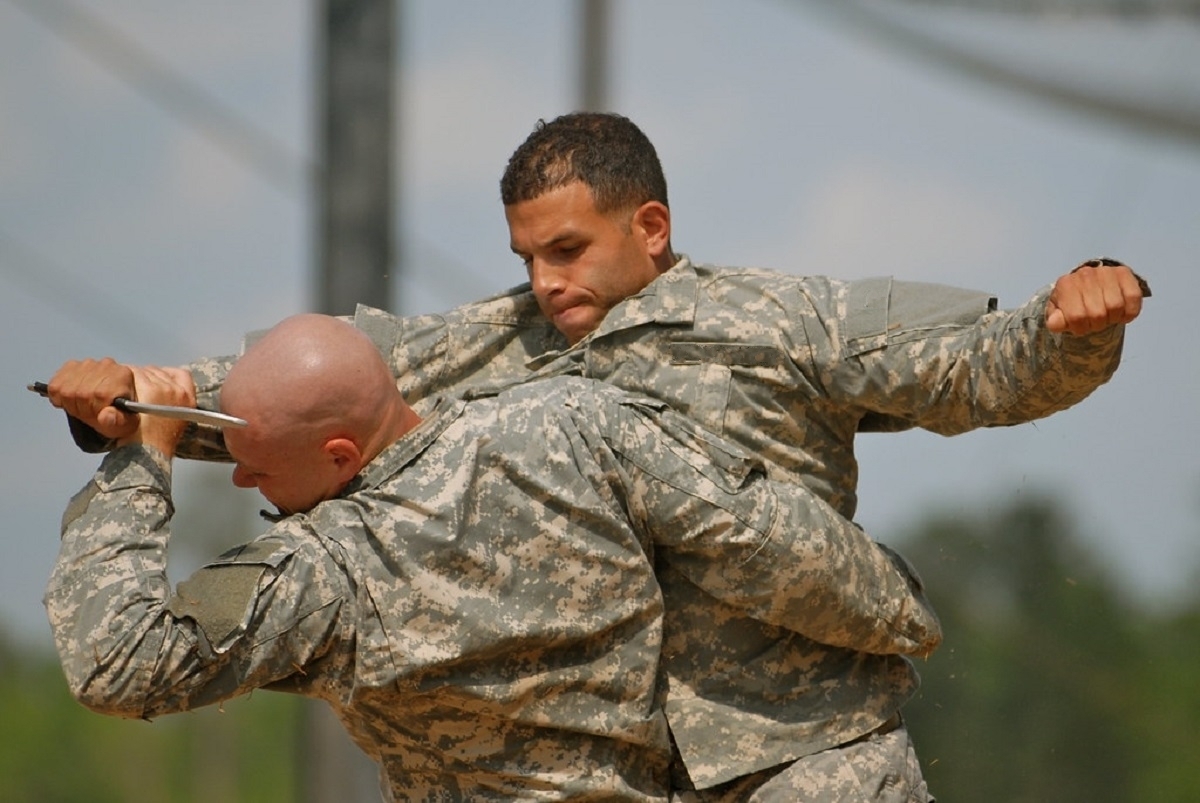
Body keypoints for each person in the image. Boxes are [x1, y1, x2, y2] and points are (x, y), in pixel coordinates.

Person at [65, 112, 1147, 801]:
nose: (544, 279)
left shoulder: (786, 319)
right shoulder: (500, 337)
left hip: (806, 752)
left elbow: (976, 366)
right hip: (613, 772)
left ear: (653, 225)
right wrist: (139, 405)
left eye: (568, 248)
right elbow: (313, 394)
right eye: (527, 254)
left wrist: (1080, 321)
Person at [44, 314, 941, 802]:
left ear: (340, 461)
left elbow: (119, 664)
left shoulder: (328, 572)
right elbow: (764, 536)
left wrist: (143, 456)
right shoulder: (572, 421)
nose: (239, 477)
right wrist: (903, 614)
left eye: (255, 461)